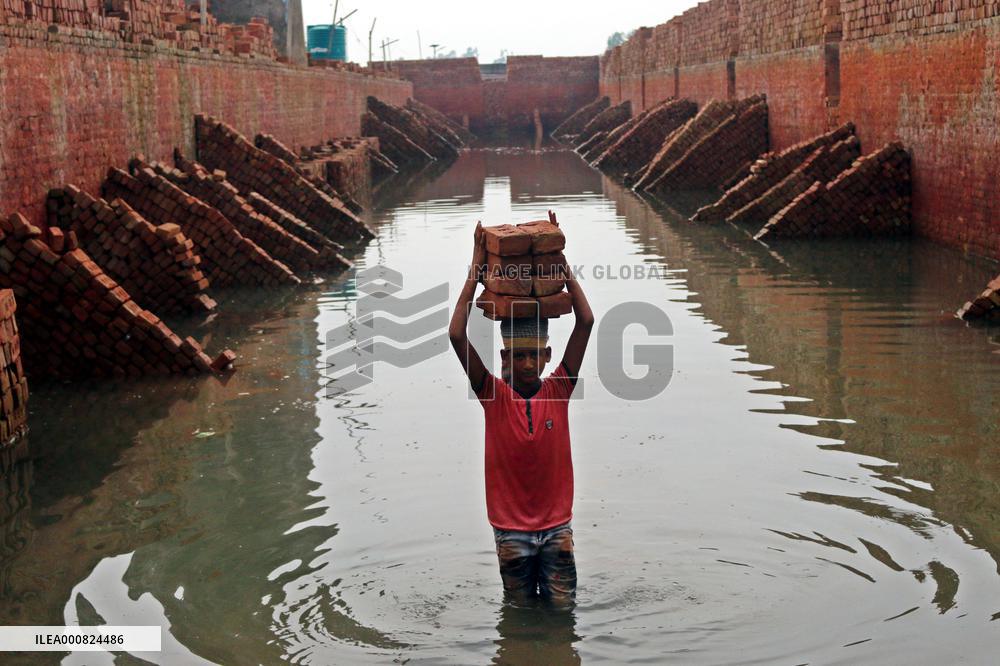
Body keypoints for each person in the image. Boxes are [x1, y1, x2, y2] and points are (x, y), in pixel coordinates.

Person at [448, 221, 594, 607]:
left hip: (557, 528)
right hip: (510, 533)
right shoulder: (492, 395)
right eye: (518, 355)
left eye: (534, 355)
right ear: (504, 358)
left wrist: (562, 268)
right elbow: (456, 336)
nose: (527, 363)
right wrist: (475, 272)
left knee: (563, 612)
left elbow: (587, 322)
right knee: (519, 613)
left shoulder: (560, 389)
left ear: (547, 356)